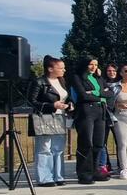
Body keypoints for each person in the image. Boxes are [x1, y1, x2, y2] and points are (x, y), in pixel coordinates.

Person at [27, 56, 72, 187]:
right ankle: (45, 178)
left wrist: (69, 105)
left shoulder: (62, 81)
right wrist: (52, 106)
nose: (64, 70)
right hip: (44, 118)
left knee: (58, 148)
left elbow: (65, 97)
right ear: (50, 68)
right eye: (61, 68)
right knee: (44, 147)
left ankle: (58, 176)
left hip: (60, 117)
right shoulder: (39, 82)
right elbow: (32, 101)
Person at [69, 56, 111, 185]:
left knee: (99, 143)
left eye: (96, 64)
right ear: (85, 64)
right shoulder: (77, 77)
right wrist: (101, 94)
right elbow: (82, 95)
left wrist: (94, 93)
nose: (94, 67)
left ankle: (95, 170)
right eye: (91, 64)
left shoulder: (98, 78)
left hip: (100, 111)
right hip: (86, 112)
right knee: (86, 142)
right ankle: (84, 173)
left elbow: (110, 93)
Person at [99, 63, 119, 175]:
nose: (111, 73)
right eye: (109, 71)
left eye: (114, 71)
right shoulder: (102, 82)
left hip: (118, 115)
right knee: (103, 141)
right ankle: (106, 164)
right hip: (105, 114)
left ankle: (121, 164)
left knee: (119, 142)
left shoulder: (120, 84)